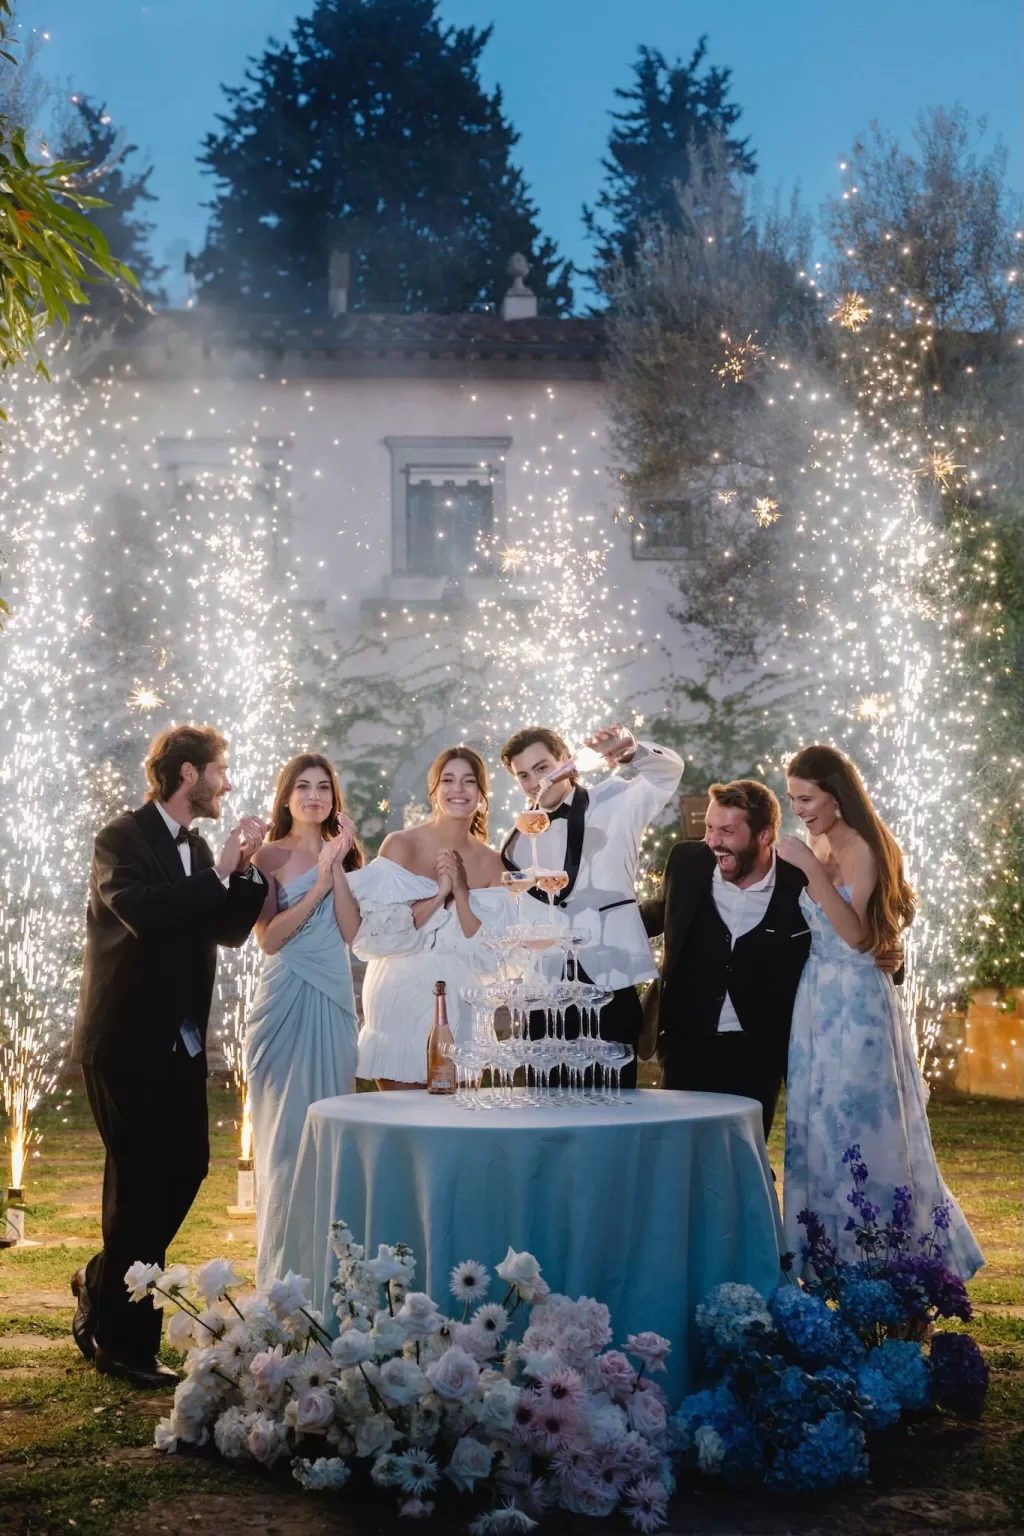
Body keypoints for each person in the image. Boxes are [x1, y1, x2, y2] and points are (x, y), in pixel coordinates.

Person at [70, 724, 267, 1388]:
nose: (227, 783)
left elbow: (230, 930)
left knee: (187, 1166)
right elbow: (145, 914)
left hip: (179, 1043)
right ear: (188, 774)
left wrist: (244, 873)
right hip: (121, 1041)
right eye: (220, 770)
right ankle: (125, 1344)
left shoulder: (202, 846)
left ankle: (98, 1280)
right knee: (137, 1184)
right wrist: (217, 871)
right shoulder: (118, 840)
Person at [778, 744, 983, 1278]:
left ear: (835, 794)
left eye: (807, 798)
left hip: (856, 1001)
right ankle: (827, 1260)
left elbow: (859, 934)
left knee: (857, 1121)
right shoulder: (818, 842)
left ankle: (885, 1259)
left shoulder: (860, 846)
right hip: (817, 995)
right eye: (794, 799)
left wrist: (808, 870)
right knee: (818, 1121)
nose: (799, 809)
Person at [640, 779, 903, 1137]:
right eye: (710, 828)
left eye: (727, 831)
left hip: (758, 1052)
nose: (713, 841)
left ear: (765, 836)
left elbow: (842, 934)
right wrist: (592, 923)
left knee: (743, 1155)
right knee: (677, 1152)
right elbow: (661, 909)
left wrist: (890, 957)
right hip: (685, 1042)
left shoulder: (800, 882)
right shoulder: (686, 862)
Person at [500, 723, 683, 1089]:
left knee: (614, 1109)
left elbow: (668, 773)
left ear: (566, 760)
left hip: (610, 979)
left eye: (542, 767)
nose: (535, 781)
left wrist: (632, 751)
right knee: (547, 1110)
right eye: (523, 775)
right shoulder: (517, 840)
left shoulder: (614, 799)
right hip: (545, 992)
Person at [246, 753, 363, 1288]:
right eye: (303, 786)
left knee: (326, 1138)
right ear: (287, 795)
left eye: (323, 787)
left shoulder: (347, 855)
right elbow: (268, 939)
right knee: (286, 1142)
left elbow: (350, 932)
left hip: (333, 1002)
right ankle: (280, 1282)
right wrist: (314, 884)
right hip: (284, 1003)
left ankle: (324, 1280)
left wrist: (335, 865)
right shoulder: (267, 856)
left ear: (333, 798)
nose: (313, 796)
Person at [350, 746, 510, 1088]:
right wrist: (440, 892)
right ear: (434, 792)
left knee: (457, 1118)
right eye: (448, 780)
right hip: (399, 989)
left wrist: (462, 893)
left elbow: (489, 956)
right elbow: (383, 938)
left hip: (461, 997)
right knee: (400, 1118)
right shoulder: (400, 845)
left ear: (482, 795)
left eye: (469, 781)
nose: (458, 789)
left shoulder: (493, 862)